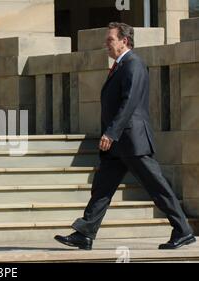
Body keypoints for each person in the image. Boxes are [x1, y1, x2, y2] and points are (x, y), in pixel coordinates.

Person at [54, 22, 195, 250]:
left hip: (132, 141)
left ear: (124, 41)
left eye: (110, 39)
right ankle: (85, 232)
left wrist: (111, 132)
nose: (106, 44)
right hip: (119, 145)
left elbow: (128, 103)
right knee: (102, 188)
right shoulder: (121, 66)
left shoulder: (134, 64)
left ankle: (183, 230)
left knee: (156, 187)